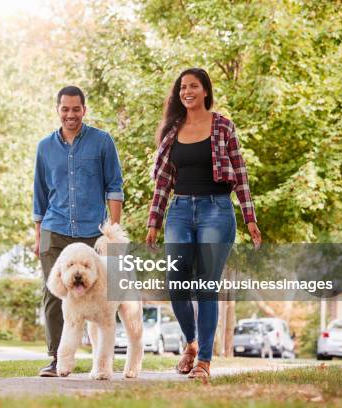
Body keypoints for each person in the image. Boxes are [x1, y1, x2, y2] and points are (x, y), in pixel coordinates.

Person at [145, 68, 262, 379]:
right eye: (183, 87)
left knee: (207, 285)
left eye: (194, 86)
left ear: (205, 91)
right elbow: (162, 182)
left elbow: (240, 173)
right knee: (176, 282)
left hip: (216, 210)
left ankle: (204, 362)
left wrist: (250, 218)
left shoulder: (223, 125)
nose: (187, 91)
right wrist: (153, 222)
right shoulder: (173, 130)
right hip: (180, 209)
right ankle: (192, 343)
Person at [33, 85, 124, 377]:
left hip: (91, 232)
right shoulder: (45, 147)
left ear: (84, 109)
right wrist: (38, 236)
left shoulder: (102, 142)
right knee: (54, 295)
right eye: (65, 108)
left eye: (75, 109)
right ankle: (57, 359)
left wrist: (113, 232)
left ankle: (101, 360)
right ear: (58, 109)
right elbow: (40, 194)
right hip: (54, 228)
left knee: (100, 294)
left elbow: (114, 187)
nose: (70, 114)